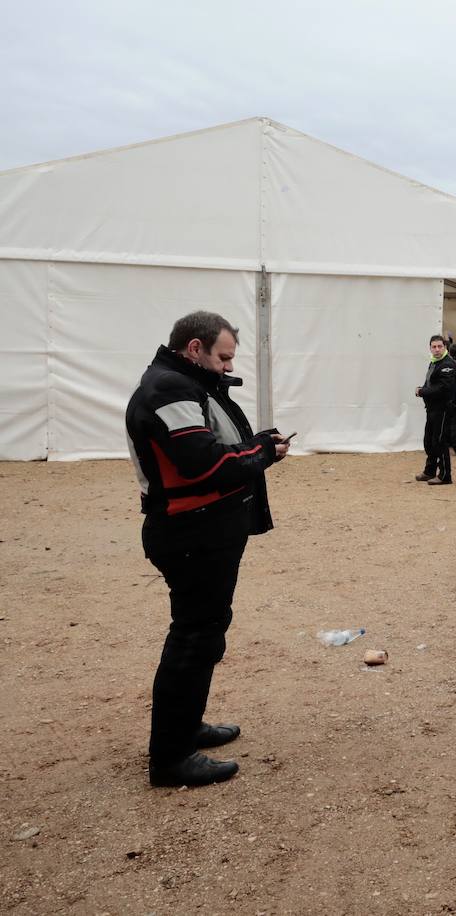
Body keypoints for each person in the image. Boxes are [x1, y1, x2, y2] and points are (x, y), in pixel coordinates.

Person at [125, 311, 291, 787]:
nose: (226, 367)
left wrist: (255, 445)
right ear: (194, 348)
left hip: (202, 528)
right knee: (195, 637)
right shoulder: (169, 388)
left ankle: (184, 727)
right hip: (191, 531)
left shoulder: (179, 383)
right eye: (222, 357)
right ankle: (172, 756)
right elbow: (199, 462)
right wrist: (261, 453)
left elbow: (209, 447)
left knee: (204, 632)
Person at [415, 335, 456, 486]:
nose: (437, 349)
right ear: (430, 348)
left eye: (440, 346)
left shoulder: (447, 364)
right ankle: (430, 471)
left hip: (443, 409)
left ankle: (445, 475)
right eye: (434, 347)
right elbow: (430, 382)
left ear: (445, 347)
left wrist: (422, 392)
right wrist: (422, 389)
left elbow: (443, 388)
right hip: (432, 409)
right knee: (429, 441)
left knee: (440, 442)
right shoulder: (434, 362)